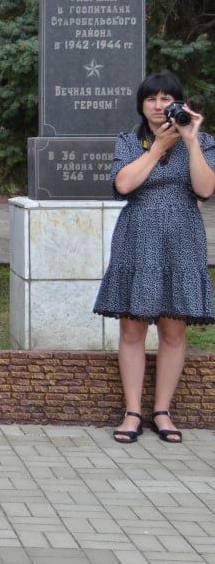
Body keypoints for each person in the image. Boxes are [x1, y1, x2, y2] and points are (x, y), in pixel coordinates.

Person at [94, 72, 215, 445]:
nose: (160, 106)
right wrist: (159, 147)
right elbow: (124, 184)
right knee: (133, 328)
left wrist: (190, 142)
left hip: (183, 237)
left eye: (168, 99)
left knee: (173, 330)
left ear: (181, 104)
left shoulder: (205, 141)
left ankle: (163, 411)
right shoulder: (130, 141)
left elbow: (205, 189)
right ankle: (132, 412)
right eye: (152, 99)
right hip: (137, 237)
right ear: (141, 105)